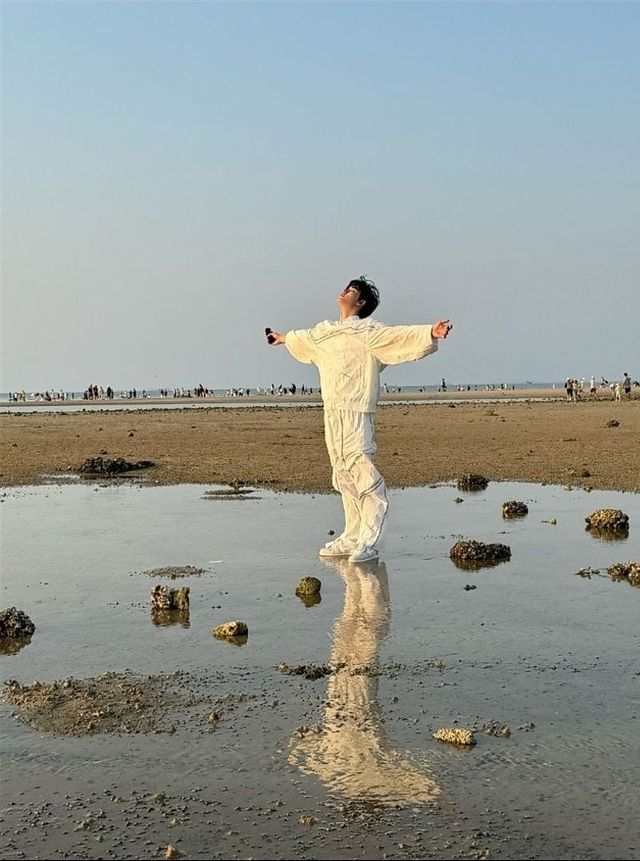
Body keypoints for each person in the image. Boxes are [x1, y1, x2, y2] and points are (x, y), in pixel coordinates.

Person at [265, 275, 452, 563]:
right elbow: (302, 337)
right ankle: (352, 535)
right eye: (346, 288)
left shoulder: (369, 333)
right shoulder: (325, 333)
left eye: (351, 290)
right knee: (342, 472)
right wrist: (283, 338)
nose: (344, 291)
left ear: (361, 301)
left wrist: (430, 332)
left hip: (356, 409)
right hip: (332, 410)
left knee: (361, 469)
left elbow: (399, 337)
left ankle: (370, 540)